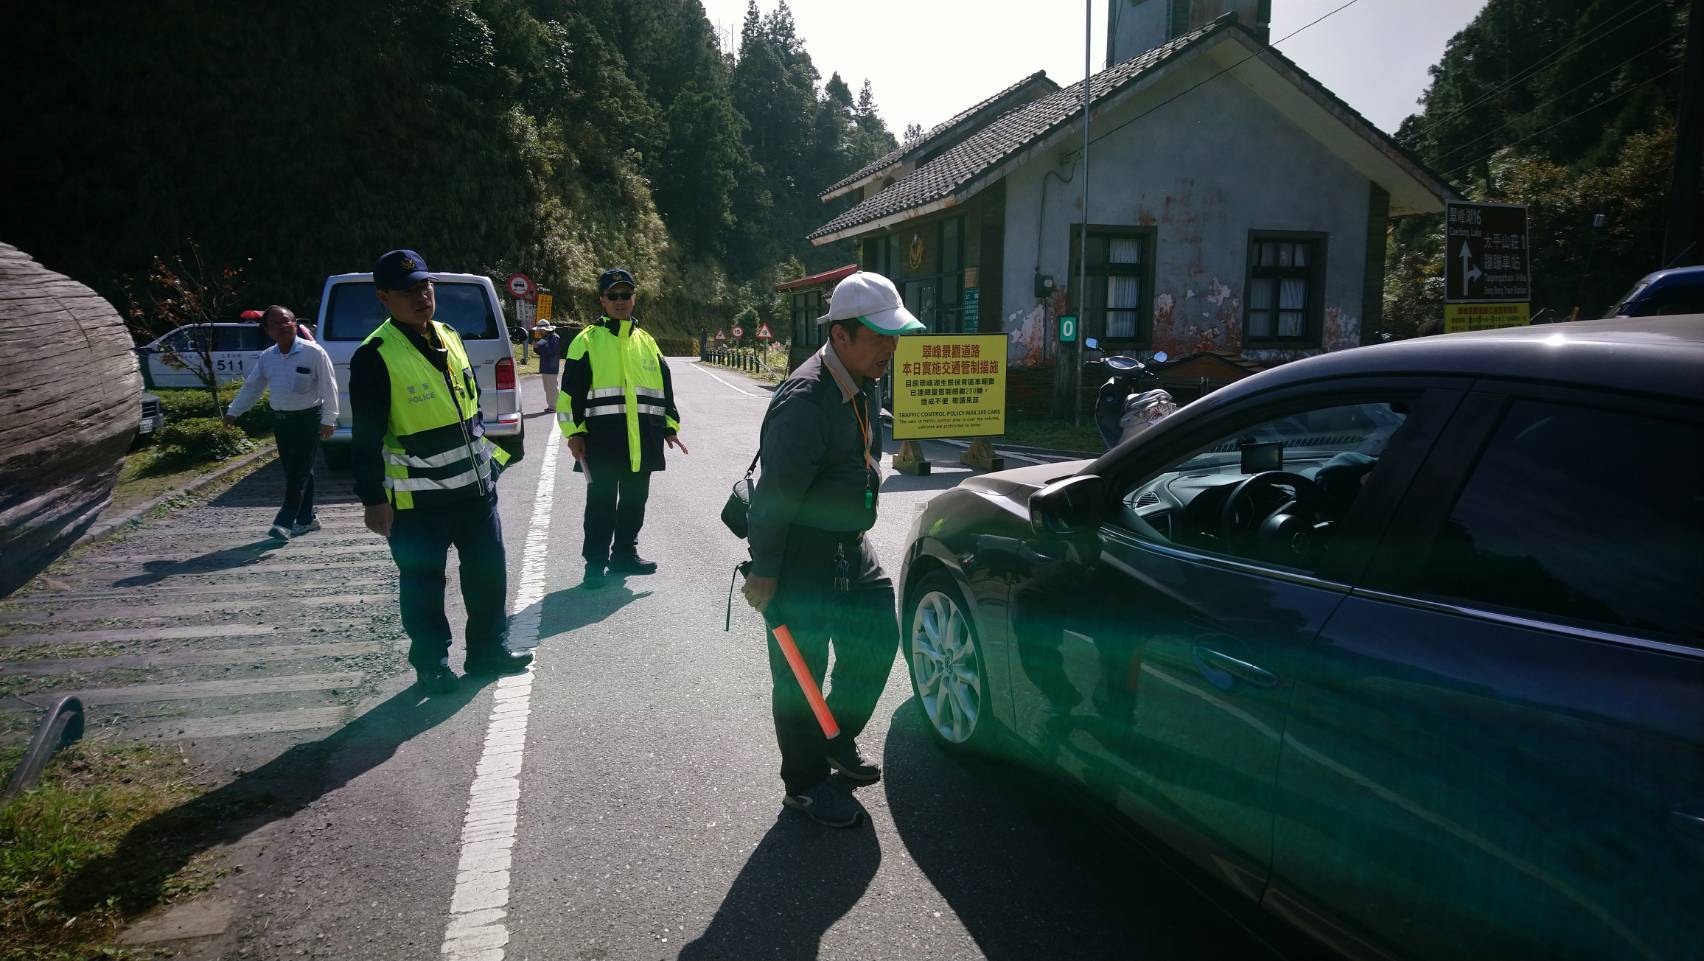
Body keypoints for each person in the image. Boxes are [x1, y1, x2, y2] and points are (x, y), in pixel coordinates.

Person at [741, 270, 924, 828]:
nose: (891, 349)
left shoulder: (860, 381)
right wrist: (766, 572)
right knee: (801, 673)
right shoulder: (806, 397)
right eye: (880, 337)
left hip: (849, 545)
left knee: (876, 636)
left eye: (895, 336)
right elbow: (774, 496)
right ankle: (804, 783)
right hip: (800, 555)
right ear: (840, 335)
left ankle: (834, 738)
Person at [350, 249, 533, 694]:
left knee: (489, 576)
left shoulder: (450, 336)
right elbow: (366, 438)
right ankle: (431, 665)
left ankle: (487, 651)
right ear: (384, 297)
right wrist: (373, 498)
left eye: (426, 287)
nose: (421, 296)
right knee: (423, 585)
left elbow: (469, 412)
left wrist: (496, 466)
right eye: (409, 291)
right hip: (417, 502)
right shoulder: (374, 355)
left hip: (474, 492)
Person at [557, 268, 686, 588]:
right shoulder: (586, 341)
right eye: (612, 295)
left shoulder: (647, 342)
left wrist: (669, 426)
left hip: (642, 438)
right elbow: (569, 394)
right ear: (601, 299)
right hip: (602, 440)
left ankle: (625, 554)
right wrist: (573, 433)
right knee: (600, 503)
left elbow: (664, 390)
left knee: (634, 499)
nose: (620, 301)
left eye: (625, 295)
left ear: (634, 298)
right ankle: (595, 564)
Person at [224, 305, 337, 540]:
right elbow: (253, 387)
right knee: (297, 470)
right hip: (282, 421)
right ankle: (307, 519)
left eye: (289, 321)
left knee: (299, 472)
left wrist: (329, 419)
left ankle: (284, 521)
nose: (284, 326)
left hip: (308, 419)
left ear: (296, 325)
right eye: (277, 323)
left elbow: (329, 386)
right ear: (268, 330)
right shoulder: (268, 357)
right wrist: (234, 411)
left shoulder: (314, 352)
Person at [533, 322, 562, 414]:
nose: (539, 332)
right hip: (546, 366)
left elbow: (551, 351)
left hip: (551, 366)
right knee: (548, 387)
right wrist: (536, 347)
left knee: (552, 387)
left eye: (540, 330)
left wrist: (538, 347)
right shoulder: (547, 337)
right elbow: (541, 351)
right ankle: (551, 406)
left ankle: (555, 406)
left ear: (545, 329)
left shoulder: (554, 337)